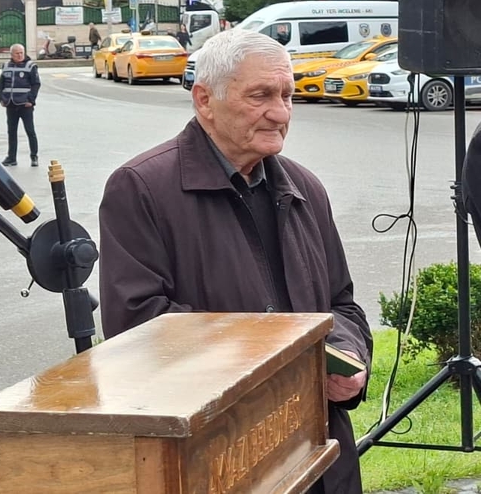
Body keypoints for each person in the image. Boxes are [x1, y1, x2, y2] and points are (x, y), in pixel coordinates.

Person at [96, 30, 372, 494]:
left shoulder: (305, 188)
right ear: (205, 100)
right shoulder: (141, 187)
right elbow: (137, 328)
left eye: (287, 95)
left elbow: (341, 305)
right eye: (260, 96)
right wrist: (276, 366)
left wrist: (351, 362)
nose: (281, 113)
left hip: (320, 452)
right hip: (218, 458)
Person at [0, 44, 40, 167]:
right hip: (11, 104)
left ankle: (34, 157)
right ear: (11, 54)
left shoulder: (30, 66)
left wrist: (31, 101)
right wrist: (1, 98)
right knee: (11, 132)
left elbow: (36, 84)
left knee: (30, 131)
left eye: (21, 53)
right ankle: (11, 158)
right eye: (17, 53)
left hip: (25, 105)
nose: (20, 55)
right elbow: (1, 84)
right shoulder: (6, 66)